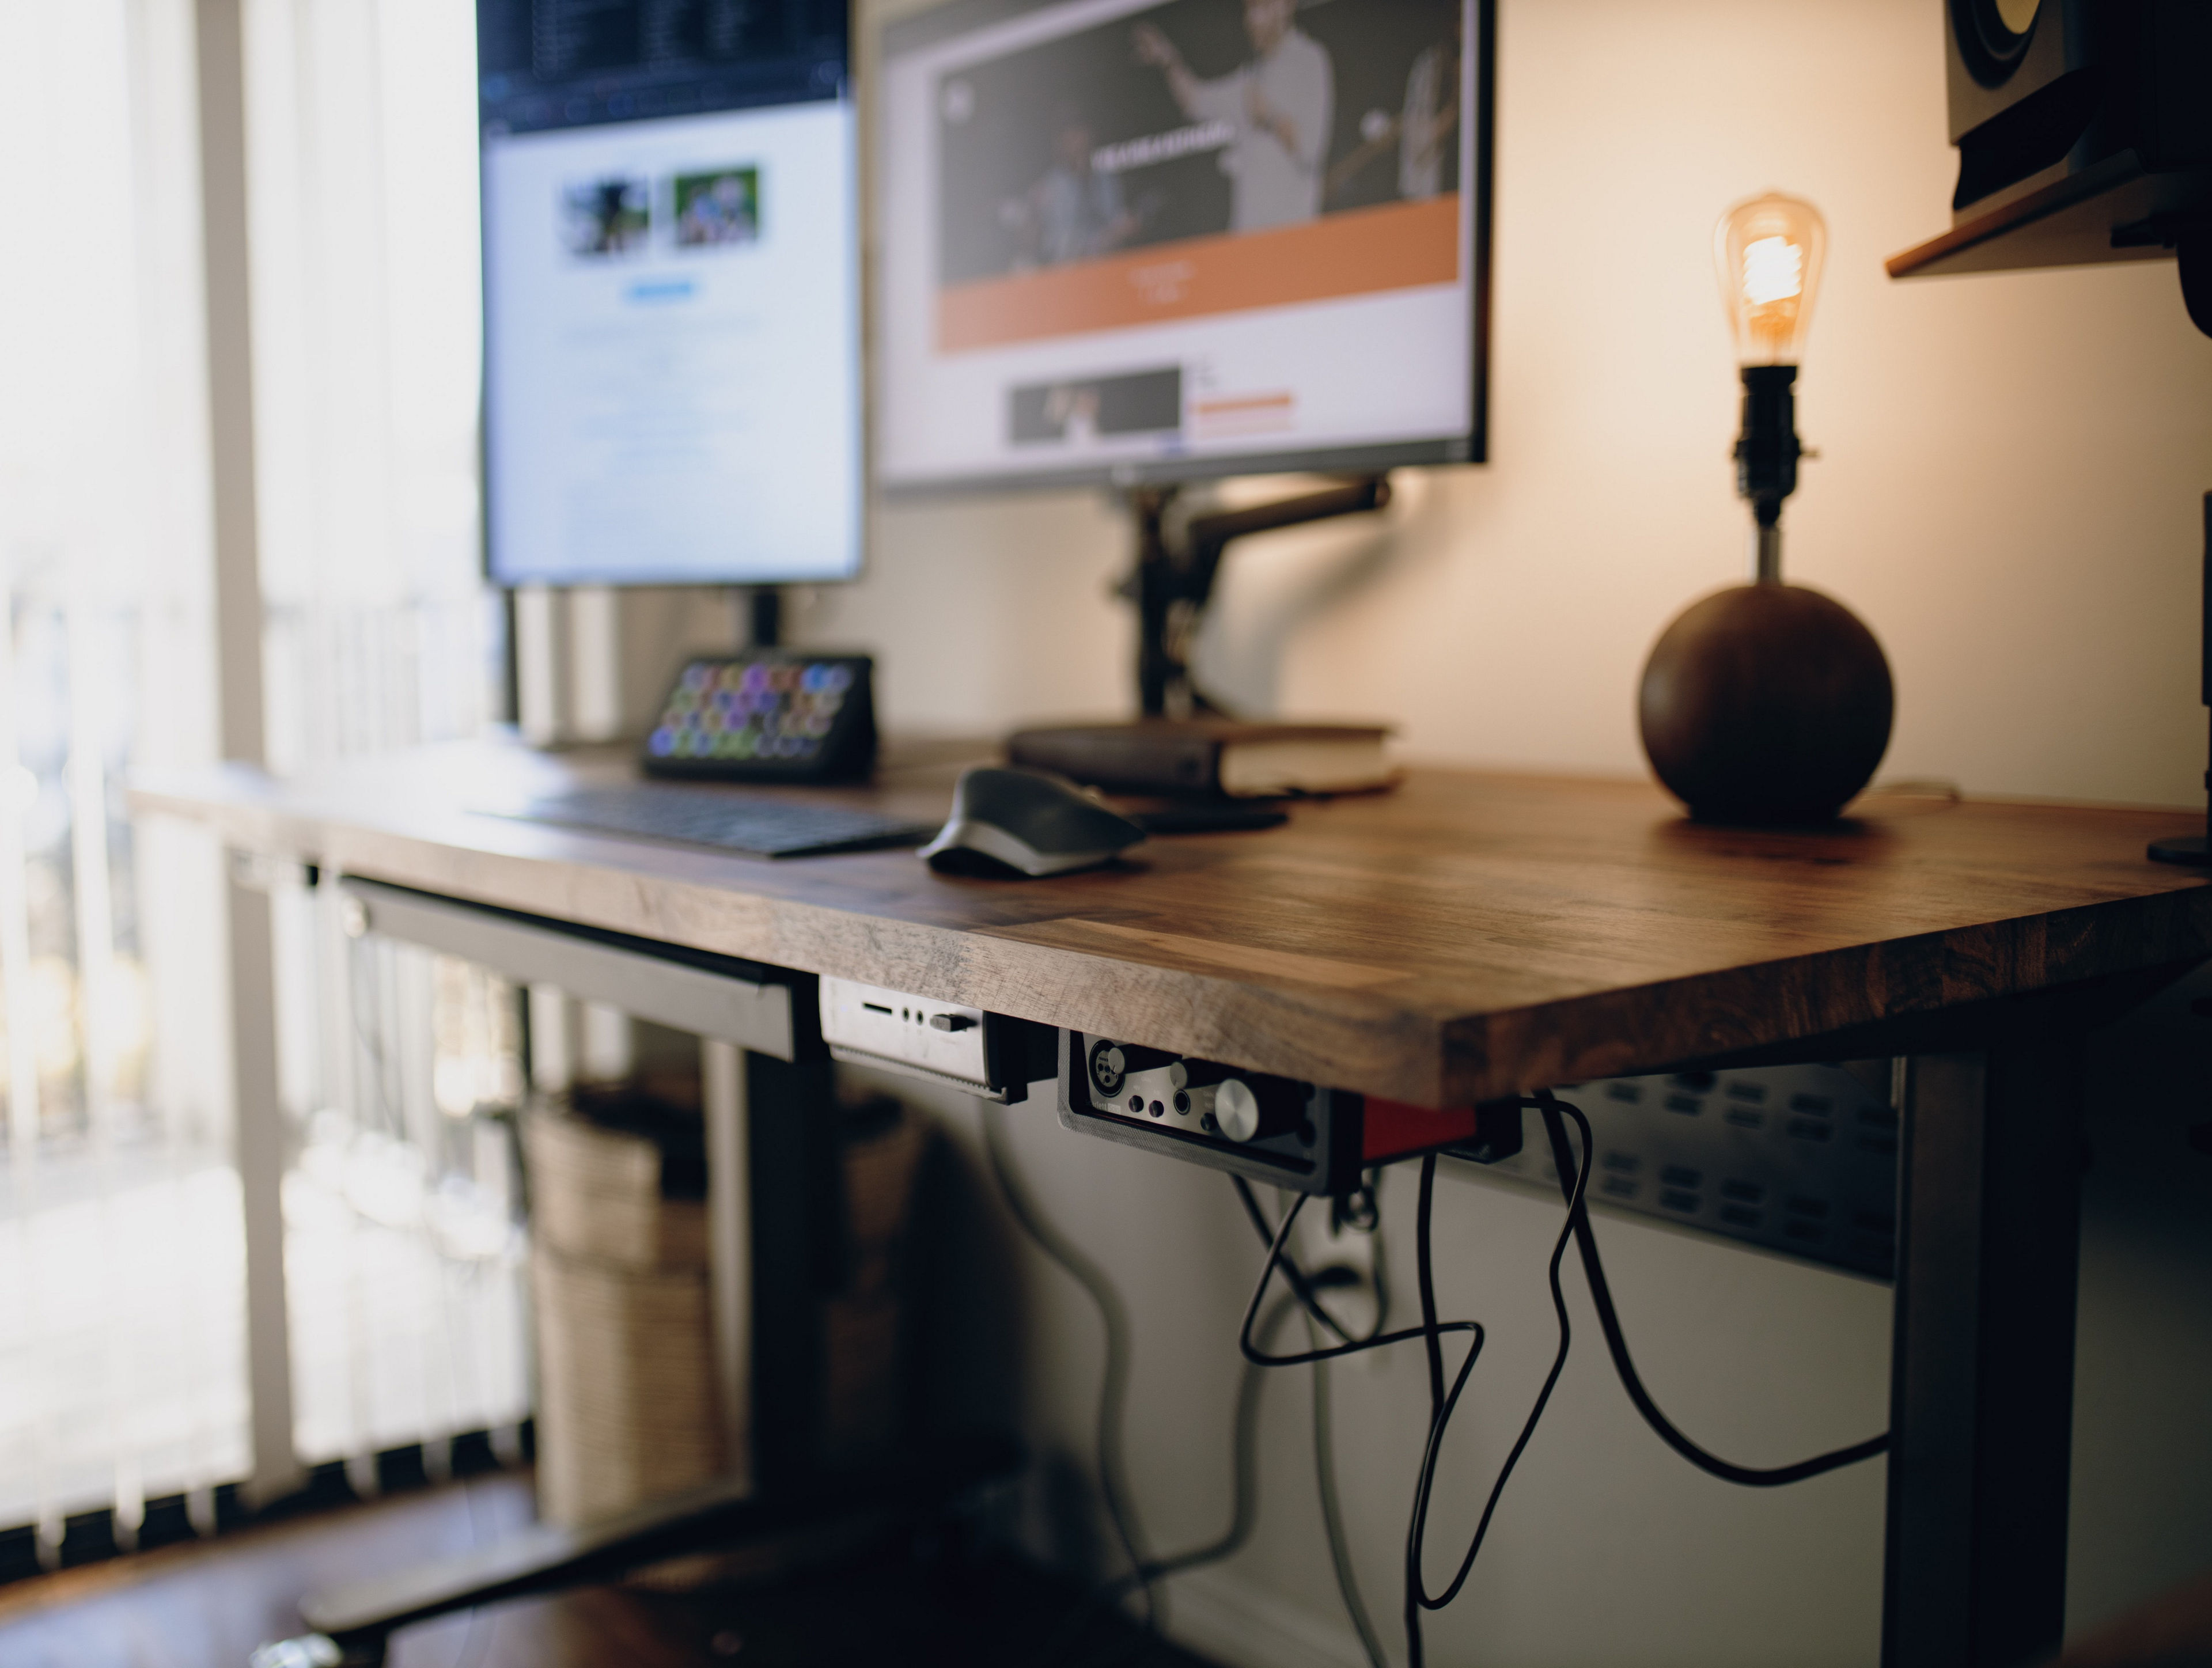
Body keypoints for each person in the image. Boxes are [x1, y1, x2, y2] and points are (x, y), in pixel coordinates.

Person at [1134, 0, 1334, 233]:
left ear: (1284, 7)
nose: (1249, 20)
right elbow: (1196, 101)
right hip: (1246, 234)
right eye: (1247, 11)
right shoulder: (1252, 75)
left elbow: (1311, 151)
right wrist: (1167, 58)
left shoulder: (1309, 60)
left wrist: (1270, 118)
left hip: (1288, 234)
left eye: (1259, 8)